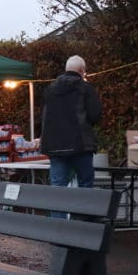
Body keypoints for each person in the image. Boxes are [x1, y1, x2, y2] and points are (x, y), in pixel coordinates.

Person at [40, 55, 102, 188]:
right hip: (80, 145)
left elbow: (45, 117)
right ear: (82, 70)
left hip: (55, 146)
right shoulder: (86, 88)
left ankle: (58, 210)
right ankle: (81, 210)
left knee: (58, 187)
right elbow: (94, 115)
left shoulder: (50, 90)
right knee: (85, 185)